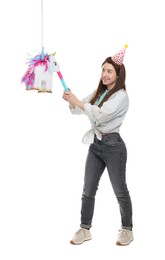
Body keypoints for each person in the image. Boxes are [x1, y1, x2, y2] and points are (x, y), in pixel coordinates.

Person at [62, 45, 133, 246]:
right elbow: (80, 109)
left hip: (113, 147)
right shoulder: (99, 92)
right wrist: (71, 100)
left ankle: (127, 230)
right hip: (96, 144)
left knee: (120, 190)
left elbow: (99, 114)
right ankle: (85, 229)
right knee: (88, 189)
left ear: (118, 75)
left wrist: (79, 102)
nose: (105, 74)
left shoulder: (121, 97)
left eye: (109, 71)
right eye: (103, 70)